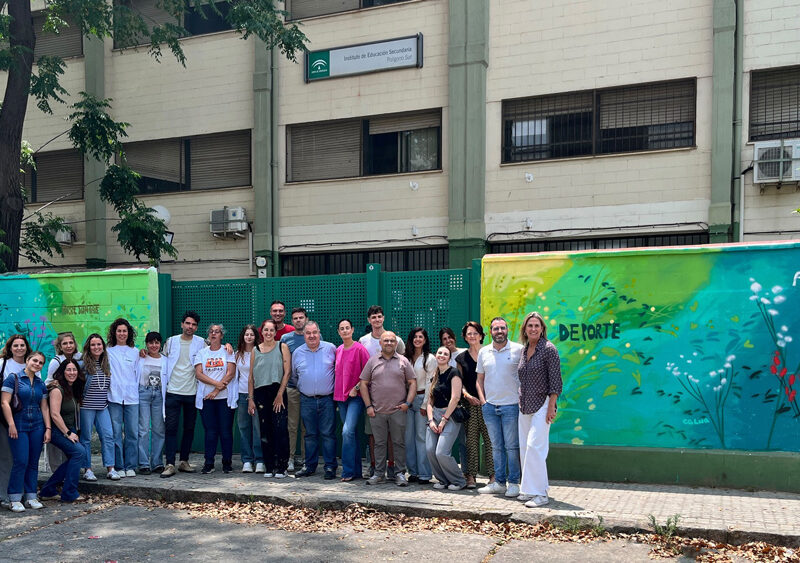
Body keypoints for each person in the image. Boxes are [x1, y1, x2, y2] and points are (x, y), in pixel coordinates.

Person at [516, 312, 562, 508]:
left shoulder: (549, 349)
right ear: (525, 329)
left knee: (536, 447)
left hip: (543, 404)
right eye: (530, 325)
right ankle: (529, 490)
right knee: (525, 448)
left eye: (537, 325)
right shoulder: (524, 350)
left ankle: (541, 494)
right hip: (524, 404)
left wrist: (551, 406)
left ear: (542, 328)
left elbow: (556, 381)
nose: (533, 329)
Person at [359, 331, 416, 487]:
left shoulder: (403, 361)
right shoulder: (372, 361)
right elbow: (363, 383)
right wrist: (368, 406)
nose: (389, 343)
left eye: (392, 341)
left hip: (398, 410)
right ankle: (378, 474)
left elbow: (412, 382)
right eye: (386, 340)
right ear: (380, 343)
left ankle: (400, 473)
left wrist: (408, 403)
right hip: (377, 411)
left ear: (396, 343)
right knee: (379, 444)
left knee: (399, 443)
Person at [476, 317, 523, 498]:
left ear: (507, 330)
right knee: (496, 446)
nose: (499, 331)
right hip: (490, 407)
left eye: (502, 328)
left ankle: (514, 483)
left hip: (511, 406)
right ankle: (499, 483)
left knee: (512, 447)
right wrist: (483, 401)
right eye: (496, 329)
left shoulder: (518, 350)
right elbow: (479, 380)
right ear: (490, 332)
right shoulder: (484, 352)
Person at [358, 305, 404, 478]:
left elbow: (403, 362)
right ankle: (374, 466)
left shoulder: (396, 340)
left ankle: (392, 466)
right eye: (373, 317)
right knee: (373, 434)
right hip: (372, 395)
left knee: (392, 434)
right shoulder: (363, 341)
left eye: (379, 316)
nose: (377, 320)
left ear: (383, 318)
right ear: (369, 320)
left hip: (393, 395)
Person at [1, 351, 49, 512]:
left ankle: (31, 496)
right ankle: (14, 498)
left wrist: (48, 428)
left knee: (33, 462)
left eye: (40, 362)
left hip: (37, 426)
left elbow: (44, 407)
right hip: (19, 426)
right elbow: (4, 403)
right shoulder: (13, 378)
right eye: (35, 360)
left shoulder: (40, 383)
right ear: (27, 360)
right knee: (21, 461)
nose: (37, 364)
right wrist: (11, 424)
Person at [161, 312, 206, 478]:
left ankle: (184, 461)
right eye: (187, 323)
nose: (190, 327)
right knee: (171, 428)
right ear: (182, 324)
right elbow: (161, 359)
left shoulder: (201, 342)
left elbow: (214, 351)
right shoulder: (171, 341)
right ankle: (170, 464)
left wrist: (228, 346)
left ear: (197, 327)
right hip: (173, 391)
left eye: (193, 324)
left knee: (189, 428)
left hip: (192, 392)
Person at [292, 321, 338, 479]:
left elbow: (337, 371)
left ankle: (330, 467)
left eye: (314, 332)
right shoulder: (297, 352)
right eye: (308, 333)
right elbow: (294, 376)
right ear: (304, 335)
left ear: (319, 333)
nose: (312, 336)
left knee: (328, 434)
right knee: (310, 435)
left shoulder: (331, 348)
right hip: (306, 399)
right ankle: (309, 466)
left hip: (327, 399)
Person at [248, 320, 291, 478]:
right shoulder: (255, 350)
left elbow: (287, 372)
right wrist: (251, 398)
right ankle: (269, 465)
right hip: (260, 394)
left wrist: (280, 394)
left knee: (280, 429)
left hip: (277, 391)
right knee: (265, 430)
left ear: (275, 332)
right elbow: (251, 377)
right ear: (262, 331)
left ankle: (282, 466)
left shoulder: (282, 347)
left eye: (271, 330)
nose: (268, 333)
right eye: (266, 330)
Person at [39, 358, 85, 503]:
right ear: (62, 372)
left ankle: (48, 490)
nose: (72, 373)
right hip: (55, 430)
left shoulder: (72, 388)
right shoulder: (57, 390)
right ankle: (69, 493)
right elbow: (54, 414)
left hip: (67, 429)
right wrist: (68, 433)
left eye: (74, 370)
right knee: (79, 452)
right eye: (68, 370)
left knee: (75, 456)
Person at [194, 324, 237, 474]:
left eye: (217, 332)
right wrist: (216, 385)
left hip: (224, 399)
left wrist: (217, 390)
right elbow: (199, 374)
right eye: (211, 331)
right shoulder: (202, 353)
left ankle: (227, 463)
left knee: (225, 431)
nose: (213, 334)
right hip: (207, 398)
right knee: (210, 432)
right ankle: (209, 463)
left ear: (221, 335)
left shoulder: (228, 351)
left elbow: (231, 373)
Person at [456, 321, 494, 489]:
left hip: (489, 403)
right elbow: (459, 382)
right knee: (471, 441)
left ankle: (494, 476)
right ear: (465, 337)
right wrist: (467, 395)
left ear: (481, 335)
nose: (472, 336)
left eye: (475, 333)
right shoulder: (461, 358)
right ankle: (470, 476)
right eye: (469, 334)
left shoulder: (490, 353)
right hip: (470, 403)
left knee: (490, 440)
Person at [426, 346, 466, 491]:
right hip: (434, 415)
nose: (442, 355)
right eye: (440, 353)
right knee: (430, 450)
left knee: (441, 452)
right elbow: (430, 401)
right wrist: (431, 420)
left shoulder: (454, 373)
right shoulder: (435, 374)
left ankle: (459, 481)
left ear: (449, 358)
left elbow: (455, 398)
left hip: (450, 415)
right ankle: (443, 480)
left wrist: (444, 420)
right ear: (435, 355)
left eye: (445, 354)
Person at [334, 319, 370, 481]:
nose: (345, 331)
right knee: (351, 434)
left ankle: (347, 471)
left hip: (356, 397)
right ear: (338, 332)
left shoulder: (360, 349)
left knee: (347, 431)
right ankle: (356, 471)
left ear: (352, 330)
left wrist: (356, 388)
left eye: (347, 328)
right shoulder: (338, 350)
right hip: (340, 397)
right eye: (342, 329)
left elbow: (368, 372)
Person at [80, 334, 118, 481]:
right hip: (86, 407)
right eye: (93, 345)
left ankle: (111, 468)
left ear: (103, 346)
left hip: (102, 406)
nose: (96, 347)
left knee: (108, 436)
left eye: (99, 344)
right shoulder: (83, 364)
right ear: (88, 347)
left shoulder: (106, 363)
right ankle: (88, 469)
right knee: (86, 438)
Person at [1, 334, 33, 509]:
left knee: (22, 457)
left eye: (22, 345)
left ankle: (20, 494)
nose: (19, 348)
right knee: (7, 456)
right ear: (10, 348)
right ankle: (4, 495)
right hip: (5, 416)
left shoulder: (32, 364)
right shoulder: (3, 363)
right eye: (16, 345)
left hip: (25, 418)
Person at [107, 318, 140, 477]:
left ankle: (131, 465)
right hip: (114, 397)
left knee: (132, 432)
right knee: (116, 433)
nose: (122, 334)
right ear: (114, 333)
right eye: (119, 331)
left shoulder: (136, 352)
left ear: (129, 333)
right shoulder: (108, 351)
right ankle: (119, 466)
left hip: (132, 398)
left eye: (124, 331)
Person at [403, 327, 435, 485]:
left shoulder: (430, 358)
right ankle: (413, 472)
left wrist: (425, 404)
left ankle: (424, 474)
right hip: (407, 400)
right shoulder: (405, 357)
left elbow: (431, 383)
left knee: (421, 437)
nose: (417, 339)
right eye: (415, 336)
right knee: (408, 438)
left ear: (425, 339)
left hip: (422, 398)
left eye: (420, 337)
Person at [280, 307, 308, 472]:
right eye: (295, 318)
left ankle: (305, 458)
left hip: (309, 390)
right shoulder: (286, 338)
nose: (298, 320)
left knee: (306, 427)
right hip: (291, 388)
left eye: (301, 317)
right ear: (292, 321)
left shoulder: (313, 336)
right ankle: (290, 458)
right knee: (291, 425)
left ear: (306, 319)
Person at [136, 331, 167, 475]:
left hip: (159, 395)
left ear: (160, 344)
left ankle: (157, 463)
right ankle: (143, 463)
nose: (154, 345)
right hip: (143, 393)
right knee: (143, 429)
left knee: (158, 429)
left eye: (156, 342)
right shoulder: (140, 358)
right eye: (150, 343)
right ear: (146, 344)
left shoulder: (165, 360)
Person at [236, 325, 264, 473]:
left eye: (251, 334)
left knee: (258, 428)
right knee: (244, 427)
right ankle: (247, 460)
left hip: (257, 395)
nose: (249, 337)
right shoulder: (237, 354)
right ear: (243, 336)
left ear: (255, 337)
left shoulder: (260, 352)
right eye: (246, 334)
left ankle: (260, 460)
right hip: (242, 395)